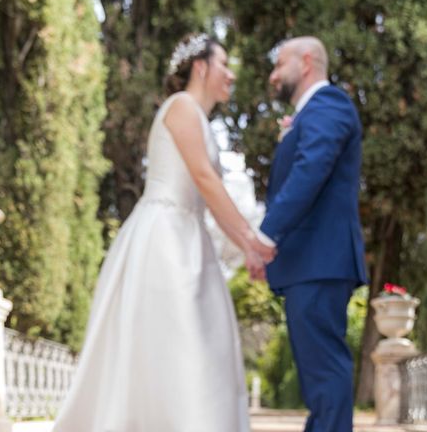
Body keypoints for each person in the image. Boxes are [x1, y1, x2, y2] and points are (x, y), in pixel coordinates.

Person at [53, 33, 272, 432]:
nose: (231, 74)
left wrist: (249, 249)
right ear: (201, 67)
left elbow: (209, 197)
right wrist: (250, 238)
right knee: (176, 337)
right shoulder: (182, 106)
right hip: (165, 240)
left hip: (189, 235)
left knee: (201, 342)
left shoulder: (199, 118)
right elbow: (204, 179)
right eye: (224, 64)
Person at [258, 36, 368, 432]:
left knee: (324, 371)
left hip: (320, 259)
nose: (273, 76)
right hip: (310, 261)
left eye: (279, 64)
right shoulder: (310, 114)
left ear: (306, 63)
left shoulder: (329, 104)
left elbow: (311, 170)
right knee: (318, 374)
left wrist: (266, 238)